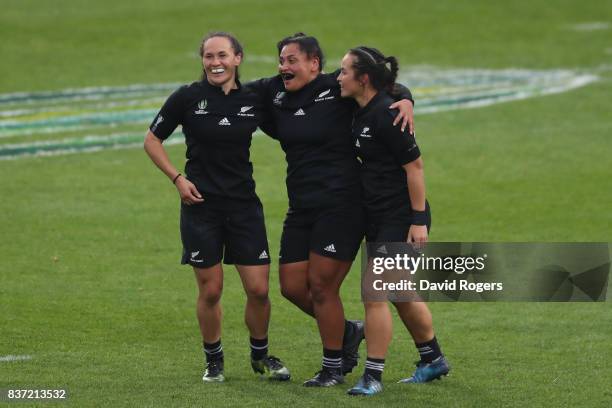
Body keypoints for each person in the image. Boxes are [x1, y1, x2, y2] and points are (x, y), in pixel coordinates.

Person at [244, 33, 415, 387]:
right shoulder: (273, 92)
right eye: (281, 60)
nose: (283, 67)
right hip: (301, 205)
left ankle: (333, 367)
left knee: (322, 286)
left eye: (292, 60)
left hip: (341, 204)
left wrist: (407, 99)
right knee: (292, 287)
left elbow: (380, 86)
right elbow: (235, 91)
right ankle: (349, 333)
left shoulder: (336, 88)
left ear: (314, 64)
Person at [143, 32, 290, 383]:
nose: (215, 62)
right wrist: (177, 179)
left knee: (258, 289)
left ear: (238, 58)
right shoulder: (187, 98)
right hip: (201, 208)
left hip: (243, 207)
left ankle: (260, 355)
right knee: (210, 290)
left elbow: (294, 123)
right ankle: (214, 360)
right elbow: (152, 141)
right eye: (208, 56)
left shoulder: (255, 98)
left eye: (222, 55)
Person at [336, 46, 450, 396]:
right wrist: (407, 96)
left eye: (343, 72)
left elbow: (414, 167)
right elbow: (396, 88)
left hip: (401, 216)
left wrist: (418, 221)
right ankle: (433, 359)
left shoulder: (388, 115)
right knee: (400, 292)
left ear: (363, 78)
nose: (338, 77)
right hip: (377, 212)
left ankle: (372, 376)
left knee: (374, 292)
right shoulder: (362, 105)